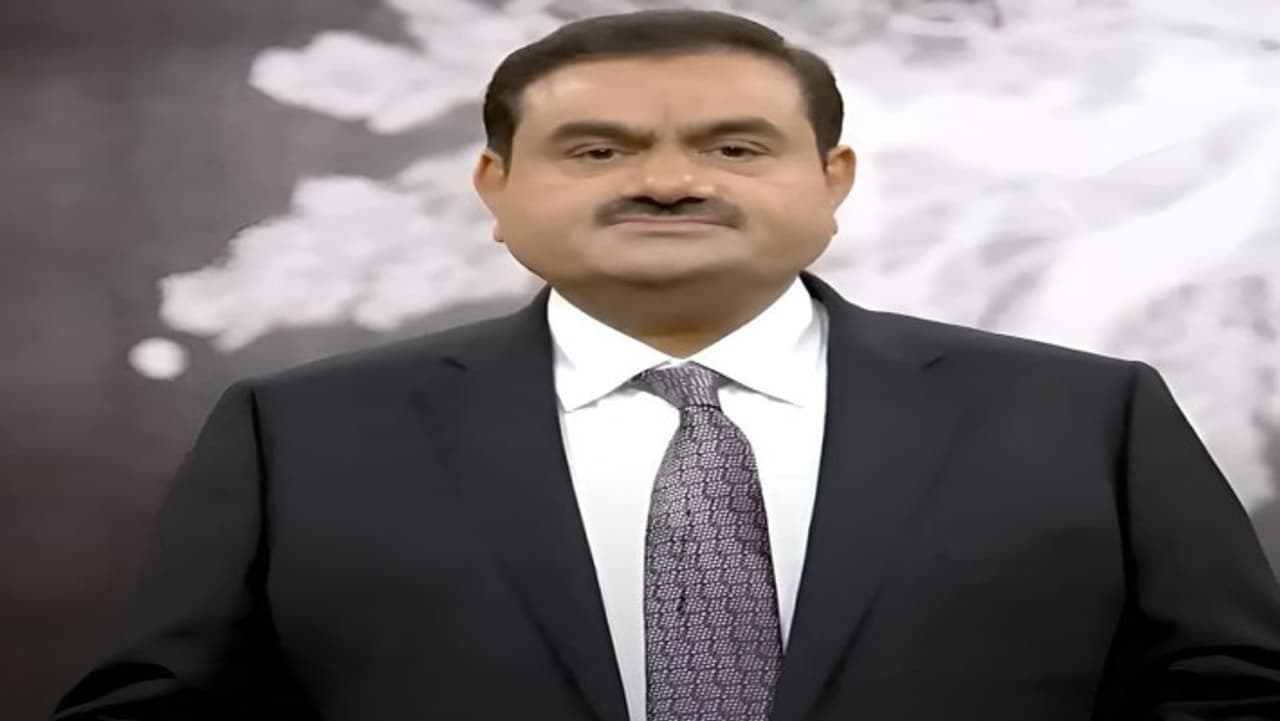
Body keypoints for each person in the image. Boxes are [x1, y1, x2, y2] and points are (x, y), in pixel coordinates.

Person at [51, 9, 1280, 721]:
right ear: (495, 188)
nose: (669, 181)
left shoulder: (1084, 416)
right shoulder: (299, 435)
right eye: (596, 149)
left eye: (735, 146)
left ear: (832, 181)